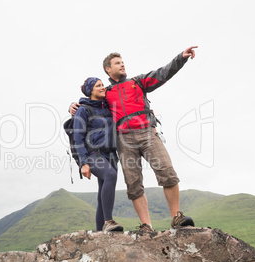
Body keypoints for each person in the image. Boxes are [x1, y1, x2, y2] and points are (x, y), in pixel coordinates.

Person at [70, 46, 198, 232]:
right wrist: (73, 106)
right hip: (124, 139)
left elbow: (162, 73)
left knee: (167, 171)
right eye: (117, 63)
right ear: (108, 69)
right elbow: (90, 101)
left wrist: (181, 58)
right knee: (133, 184)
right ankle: (147, 226)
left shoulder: (138, 82)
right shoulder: (106, 93)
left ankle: (177, 218)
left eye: (122, 62)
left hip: (147, 132)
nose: (122, 65)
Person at [73, 77, 123, 232]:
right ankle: (108, 221)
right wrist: (84, 163)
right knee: (110, 175)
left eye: (103, 85)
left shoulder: (108, 107)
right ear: (90, 91)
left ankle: (100, 233)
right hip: (93, 153)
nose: (103, 87)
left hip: (111, 155)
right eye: (98, 86)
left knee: (103, 193)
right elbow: (78, 138)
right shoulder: (83, 109)